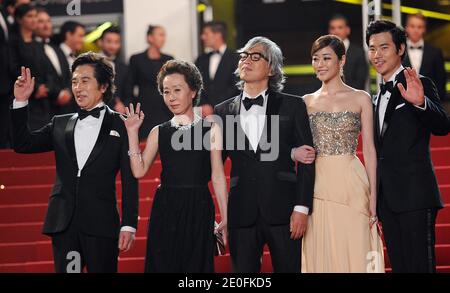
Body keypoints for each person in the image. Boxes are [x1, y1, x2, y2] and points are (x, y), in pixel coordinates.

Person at [10, 52, 139, 273]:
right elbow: (22, 143)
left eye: (85, 80)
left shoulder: (123, 126)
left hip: (101, 224)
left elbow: (130, 179)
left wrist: (128, 224)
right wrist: (21, 100)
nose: (78, 87)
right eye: (74, 81)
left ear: (104, 86)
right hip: (64, 225)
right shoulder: (60, 124)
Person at [214, 37, 315, 273]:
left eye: (255, 56)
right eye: (243, 56)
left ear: (271, 68)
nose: (246, 61)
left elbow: (309, 160)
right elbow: (214, 166)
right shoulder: (222, 110)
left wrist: (302, 208)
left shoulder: (294, 105)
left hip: (284, 210)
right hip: (241, 213)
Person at [121, 59, 228, 273]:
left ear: (193, 91)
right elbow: (139, 171)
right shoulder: (159, 131)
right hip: (166, 207)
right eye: (166, 91)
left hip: (199, 206)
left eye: (177, 90)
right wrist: (132, 133)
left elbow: (217, 175)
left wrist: (226, 217)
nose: (171, 97)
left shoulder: (211, 129)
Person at [293, 35, 384, 273]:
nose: (319, 64)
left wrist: (374, 197)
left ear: (342, 61)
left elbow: (371, 151)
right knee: (321, 254)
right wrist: (294, 153)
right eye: (315, 59)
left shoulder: (361, 98)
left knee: (357, 250)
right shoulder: (305, 102)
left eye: (326, 58)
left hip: (352, 184)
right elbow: (292, 148)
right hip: (317, 186)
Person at [366, 20, 450, 273]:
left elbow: (442, 125)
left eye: (383, 48)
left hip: (415, 194)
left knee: (420, 267)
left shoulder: (418, 82)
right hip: (387, 199)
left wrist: (421, 102)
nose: (377, 55)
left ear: (400, 49)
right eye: (372, 49)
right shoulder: (376, 95)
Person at [125, 25, 173, 140]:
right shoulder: (136, 59)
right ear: (150, 38)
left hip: (165, 109)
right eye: (160, 35)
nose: (163, 38)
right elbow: (129, 86)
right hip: (144, 110)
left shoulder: (169, 59)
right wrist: (132, 111)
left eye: (164, 35)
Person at [9, 3, 53, 130]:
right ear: (19, 19)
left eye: (35, 16)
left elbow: (48, 69)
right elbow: (13, 68)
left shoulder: (38, 44)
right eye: (30, 16)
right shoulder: (13, 42)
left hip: (43, 99)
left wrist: (46, 88)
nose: (34, 20)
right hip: (24, 97)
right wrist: (35, 88)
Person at [195, 21, 239, 116]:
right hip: (205, 114)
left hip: (229, 114)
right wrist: (204, 104)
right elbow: (196, 84)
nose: (202, 37)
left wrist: (214, 106)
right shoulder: (201, 59)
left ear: (218, 35)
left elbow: (236, 86)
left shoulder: (236, 58)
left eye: (206, 33)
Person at [34, 7, 72, 117]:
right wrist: (58, 94)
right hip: (41, 110)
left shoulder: (57, 49)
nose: (46, 25)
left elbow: (68, 74)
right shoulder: (29, 50)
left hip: (64, 110)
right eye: (41, 21)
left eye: (48, 21)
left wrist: (69, 92)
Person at [403, 13, 447, 101]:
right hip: (403, 105)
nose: (416, 30)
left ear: (424, 29)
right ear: (406, 28)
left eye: (419, 27)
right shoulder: (399, 51)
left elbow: (441, 81)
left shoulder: (435, 52)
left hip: (429, 105)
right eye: (412, 26)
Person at [328, 14, 368, 90]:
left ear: (348, 30)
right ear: (329, 31)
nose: (336, 31)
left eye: (340, 27)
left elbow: (360, 81)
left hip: (353, 98)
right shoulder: (325, 53)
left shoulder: (358, 52)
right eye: (333, 28)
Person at [98, 26, 129, 113]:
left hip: (117, 115)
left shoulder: (124, 67)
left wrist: (124, 106)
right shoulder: (91, 64)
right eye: (109, 41)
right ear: (100, 42)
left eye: (116, 42)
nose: (113, 46)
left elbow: (129, 93)